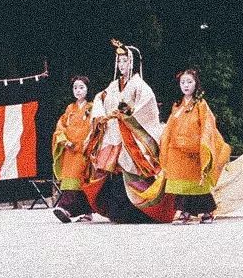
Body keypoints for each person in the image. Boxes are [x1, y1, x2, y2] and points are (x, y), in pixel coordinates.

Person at [83, 39, 175, 223]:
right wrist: (101, 115)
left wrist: (127, 114)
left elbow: (147, 109)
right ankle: (119, 211)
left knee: (133, 169)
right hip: (115, 135)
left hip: (132, 136)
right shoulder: (112, 85)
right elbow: (100, 100)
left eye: (125, 61)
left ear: (132, 63)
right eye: (119, 61)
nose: (121, 65)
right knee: (115, 171)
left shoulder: (140, 86)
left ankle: (140, 211)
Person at [160, 69, 231, 224]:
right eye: (183, 82)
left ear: (196, 84)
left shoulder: (201, 104)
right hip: (178, 151)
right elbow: (170, 127)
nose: (186, 85)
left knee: (197, 183)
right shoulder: (177, 105)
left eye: (189, 82)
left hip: (194, 149)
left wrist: (202, 144)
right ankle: (184, 211)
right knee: (180, 182)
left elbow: (207, 125)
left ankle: (207, 211)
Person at [52, 76, 94, 223]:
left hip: (83, 150)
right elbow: (60, 126)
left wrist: (85, 144)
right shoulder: (70, 108)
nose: (78, 90)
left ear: (88, 89)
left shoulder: (92, 107)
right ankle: (85, 213)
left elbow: (93, 128)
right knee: (71, 180)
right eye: (75, 87)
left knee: (81, 179)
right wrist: (64, 141)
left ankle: (65, 208)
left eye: (81, 87)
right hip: (69, 149)